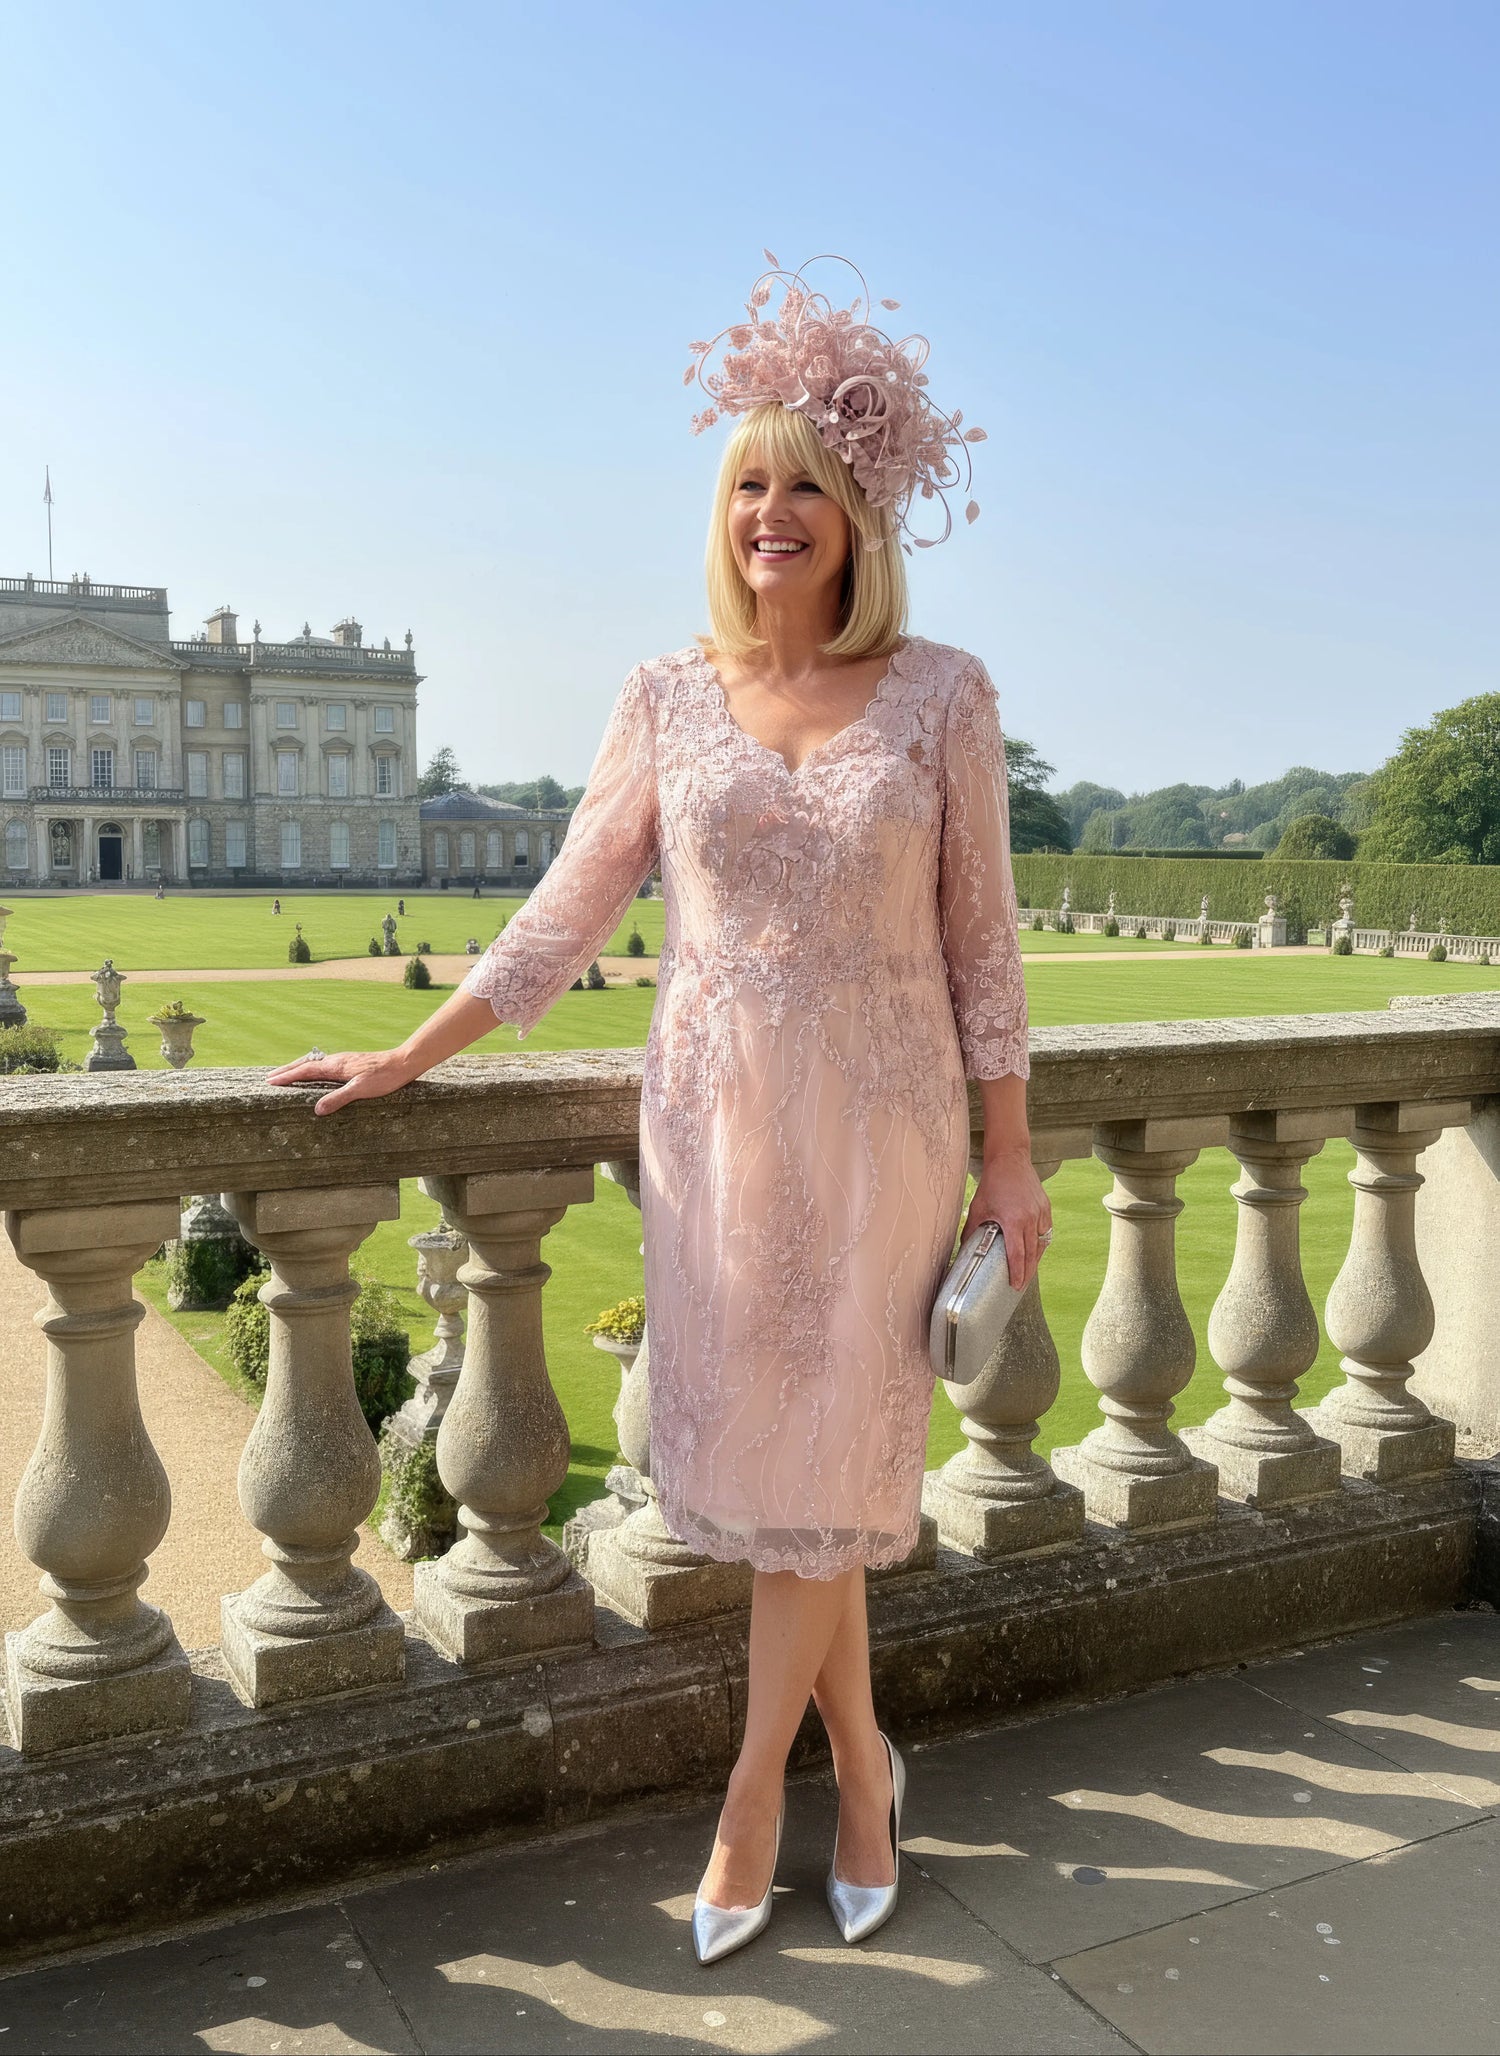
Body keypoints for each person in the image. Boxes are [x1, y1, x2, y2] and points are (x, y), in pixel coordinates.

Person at [268, 254, 1046, 1965]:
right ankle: (864, 1767)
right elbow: (561, 909)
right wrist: (412, 1054)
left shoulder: (942, 695)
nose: (775, 512)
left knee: (827, 1473)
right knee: (799, 1492)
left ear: (860, 517)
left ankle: (754, 1803)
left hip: (888, 1136)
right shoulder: (663, 693)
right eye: (749, 483)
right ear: (725, 510)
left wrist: (1012, 1161)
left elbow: (984, 949)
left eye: (809, 487)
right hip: (717, 1140)